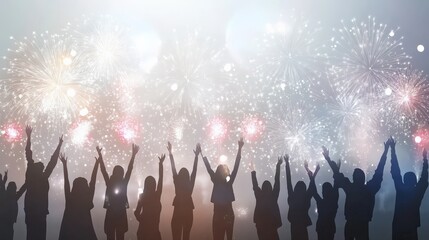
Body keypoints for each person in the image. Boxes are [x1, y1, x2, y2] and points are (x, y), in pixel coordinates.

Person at [323, 138, 389, 240]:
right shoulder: (368, 189)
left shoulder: (350, 187)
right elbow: (379, 171)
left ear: (354, 178)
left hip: (350, 223)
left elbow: (337, 173)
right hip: (363, 224)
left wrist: (328, 158)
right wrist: (386, 151)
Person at [24, 125, 63, 240]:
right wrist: (29, 137)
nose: (43, 166)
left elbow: (52, 162)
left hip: (34, 211)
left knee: (33, 235)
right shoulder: (38, 176)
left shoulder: (35, 176)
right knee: (37, 235)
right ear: (38, 168)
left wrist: (59, 146)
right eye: (41, 166)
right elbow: (29, 154)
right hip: (37, 211)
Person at [203, 138, 244, 240]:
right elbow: (236, 166)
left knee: (217, 237)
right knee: (228, 237)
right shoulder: (228, 183)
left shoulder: (216, 181)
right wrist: (239, 148)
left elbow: (209, 169)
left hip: (218, 213)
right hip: (228, 212)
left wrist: (201, 155)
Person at [99, 144, 140, 240]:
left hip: (111, 212)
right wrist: (133, 155)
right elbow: (129, 170)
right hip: (120, 213)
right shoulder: (123, 183)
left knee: (111, 236)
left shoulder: (110, 183)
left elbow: (103, 171)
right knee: (120, 236)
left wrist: (100, 156)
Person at [390, 138, 428, 240]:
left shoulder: (401, 189)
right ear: (415, 182)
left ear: (404, 180)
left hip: (398, 227)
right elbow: (424, 178)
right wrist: (425, 159)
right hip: (411, 228)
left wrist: (392, 150)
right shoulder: (417, 192)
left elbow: (395, 171)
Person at [58, 151, 99, 240]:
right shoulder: (87, 200)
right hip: (85, 233)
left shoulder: (70, 200)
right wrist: (97, 164)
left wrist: (64, 165)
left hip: (69, 234)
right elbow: (93, 182)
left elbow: (66, 183)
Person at [167, 142, 201, 240]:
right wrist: (196, 157)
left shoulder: (177, 183)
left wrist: (170, 153)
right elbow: (194, 172)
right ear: (188, 177)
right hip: (188, 211)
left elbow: (173, 168)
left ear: (179, 176)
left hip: (177, 211)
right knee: (186, 236)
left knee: (176, 237)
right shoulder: (189, 186)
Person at [134, 154, 165, 240]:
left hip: (144, 231)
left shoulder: (143, 196)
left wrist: (142, 220)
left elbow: (136, 212)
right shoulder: (157, 195)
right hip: (153, 231)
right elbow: (161, 179)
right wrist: (160, 164)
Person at [311, 149, 340, 240]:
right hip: (330, 228)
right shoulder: (334, 201)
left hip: (321, 228)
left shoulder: (321, 202)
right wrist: (328, 159)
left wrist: (313, 176)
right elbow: (336, 183)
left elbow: (314, 191)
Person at [251, 157, 282, 240]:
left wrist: (253, 171)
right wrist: (278, 166)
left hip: (261, 226)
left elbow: (255, 185)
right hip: (272, 225)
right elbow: (277, 182)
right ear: (270, 188)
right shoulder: (273, 196)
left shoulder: (259, 196)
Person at [285, 154, 314, 240]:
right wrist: (307, 169)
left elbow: (288, 180)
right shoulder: (306, 198)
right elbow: (312, 184)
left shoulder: (292, 196)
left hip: (294, 226)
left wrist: (287, 163)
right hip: (303, 226)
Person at [0, 170, 26, 240]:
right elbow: (22, 189)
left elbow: (2, 187)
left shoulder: (5, 196)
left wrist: (4, 179)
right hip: (7, 223)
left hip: (5, 223)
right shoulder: (13, 197)